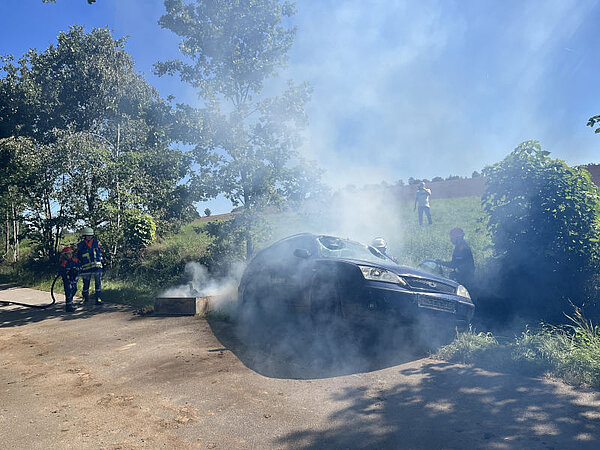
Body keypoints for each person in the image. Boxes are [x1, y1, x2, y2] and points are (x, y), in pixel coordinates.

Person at [76, 227, 103, 305]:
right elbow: (78, 256)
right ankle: (85, 298)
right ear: (84, 236)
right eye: (87, 235)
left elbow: (100, 253)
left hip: (97, 266)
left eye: (90, 235)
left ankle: (98, 298)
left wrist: (102, 263)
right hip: (86, 267)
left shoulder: (97, 243)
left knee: (98, 282)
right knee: (86, 283)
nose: (89, 237)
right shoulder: (80, 245)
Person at [59, 246, 80, 312]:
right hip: (67, 281)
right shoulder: (63, 263)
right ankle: (68, 306)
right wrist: (67, 273)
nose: (70, 255)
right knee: (69, 292)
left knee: (74, 289)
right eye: (68, 254)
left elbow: (79, 267)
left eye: (71, 253)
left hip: (74, 279)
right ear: (65, 255)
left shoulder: (75, 260)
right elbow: (62, 272)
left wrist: (77, 270)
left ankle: (70, 302)